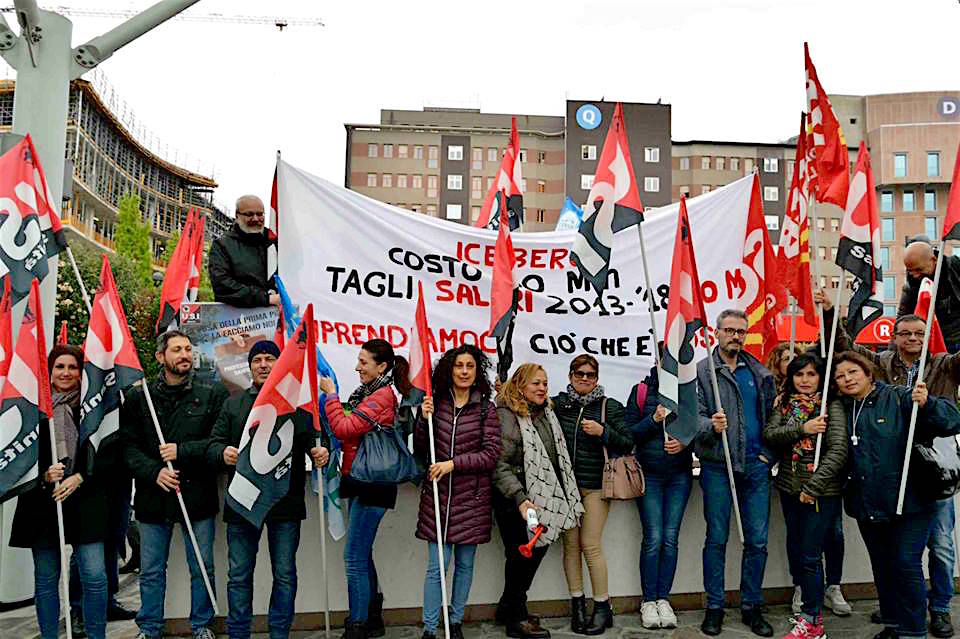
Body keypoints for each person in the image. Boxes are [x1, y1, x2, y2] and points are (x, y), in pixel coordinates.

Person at [821, 290, 960, 634]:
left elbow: (949, 419)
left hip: (917, 492)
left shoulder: (904, 391)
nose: (848, 378)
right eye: (841, 377)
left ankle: (920, 624)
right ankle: (894, 621)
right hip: (872, 501)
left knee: (911, 561)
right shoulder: (849, 403)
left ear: (869, 375)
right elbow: (844, 349)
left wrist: (928, 404)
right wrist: (828, 313)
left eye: (853, 372)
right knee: (883, 566)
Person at [205, 340, 331, 639]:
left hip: (284, 503)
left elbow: (319, 440)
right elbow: (213, 444)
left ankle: (279, 633)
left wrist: (322, 451)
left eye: (270, 359)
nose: (263, 364)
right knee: (239, 576)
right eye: (257, 359)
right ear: (249, 366)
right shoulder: (233, 404)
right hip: (242, 503)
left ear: (280, 364)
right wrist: (222, 453)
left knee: (285, 575)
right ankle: (238, 634)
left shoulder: (299, 407)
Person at [120, 330, 228, 639]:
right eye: (177, 349)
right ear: (160, 357)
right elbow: (128, 448)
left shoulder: (212, 394)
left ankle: (202, 626)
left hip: (197, 496)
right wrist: (154, 471)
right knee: (152, 571)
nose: (184, 355)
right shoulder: (140, 397)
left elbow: (217, 444)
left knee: (202, 567)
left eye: (187, 349)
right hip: (153, 498)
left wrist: (182, 450)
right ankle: (150, 628)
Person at [11, 345, 108, 639]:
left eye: (73, 367)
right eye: (59, 367)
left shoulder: (95, 407)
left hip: (86, 500)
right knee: (46, 579)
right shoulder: (33, 408)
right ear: (49, 371)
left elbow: (110, 453)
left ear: (82, 372)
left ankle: (96, 635)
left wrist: (79, 476)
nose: (66, 373)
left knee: (95, 577)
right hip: (43, 503)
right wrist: (43, 475)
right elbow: (17, 455)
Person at [321, 339, 413, 639]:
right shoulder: (369, 393)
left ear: (381, 367)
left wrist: (331, 396)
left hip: (373, 484)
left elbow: (345, 428)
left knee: (354, 558)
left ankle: (358, 625)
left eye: (363, 362)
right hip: (361, 480)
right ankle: (372, 616)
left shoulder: (383, 395)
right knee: (363, 553)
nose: (357, 367)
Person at [695, 309, 775, 637]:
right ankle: (714, 607)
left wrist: (768, 455)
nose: (735, 336)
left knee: (757, 540)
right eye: (729, 330)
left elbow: (773, 416)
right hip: (717, 465)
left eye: (741, 331)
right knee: (717, 538)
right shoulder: (702, 371)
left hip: (755, 467)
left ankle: (751, 605)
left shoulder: (758, 372)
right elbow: (689, 418)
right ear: (716, 332)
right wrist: (709, 426)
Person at [414, 345, 502, 639]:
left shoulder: (486, 408)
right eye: (459, 366)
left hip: (472, 500)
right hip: (437, 499)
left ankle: (456, 621)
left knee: (464, 565)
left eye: (470, 366)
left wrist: (453, 464)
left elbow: (490, 455)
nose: (464, 371)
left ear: (477, 372)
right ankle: (429, 628)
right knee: (436, 568)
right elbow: (421, 449)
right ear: (449, 370)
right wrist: (420, 419)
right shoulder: (435, 403)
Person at [493, 363, 584, 639]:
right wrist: (520, 498)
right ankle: (515, 618)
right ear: (520, 385)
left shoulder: (546, 412)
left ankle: (509, 607)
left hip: (541, 498)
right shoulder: (506, 415)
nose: (542, 388)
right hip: (514, 498)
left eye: (545, 383)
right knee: (521, 554)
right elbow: (499, 464)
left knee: (534, 549)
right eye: (536, 383)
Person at [763, 353, 847, 639]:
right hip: (789, 488)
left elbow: (837, 452)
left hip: (821, 493)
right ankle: (807, 604)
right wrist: (803, 429)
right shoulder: (785, 404)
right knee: (798, 548)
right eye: (800, 375)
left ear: (821, 377)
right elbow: (771, 434)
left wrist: (813, 488)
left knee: (812, 555)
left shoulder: (831, 406)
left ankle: (813, 620)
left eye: (811, 374)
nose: (805, 380)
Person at [552, 354, 632, 635]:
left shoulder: (609, 407)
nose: (584, 378)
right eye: (579, 373)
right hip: (566, 488)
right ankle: (577, 604)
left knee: (590, 544)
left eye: (590, 374)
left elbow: (628, 442)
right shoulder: (559, 405)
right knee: (570, 546)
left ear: (597, 378)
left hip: (597, 486)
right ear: (570, 375)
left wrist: (603, 432)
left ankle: (602, 606)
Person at [626, 359, 693, 630]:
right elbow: (630, 433)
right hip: (650, 475)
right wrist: (653, 420)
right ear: (658, 361)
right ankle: (648, 600)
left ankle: (663, 599)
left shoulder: (688, 391)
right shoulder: (641, 391)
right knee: (653, 538)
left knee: (670, 539)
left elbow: (698, 430)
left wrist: (685, 443)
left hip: (679, 476)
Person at [209, 194, 279, 308]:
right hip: (237, 321)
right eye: (249, 214)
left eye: (260, 214)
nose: (256, 219)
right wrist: (265, 299)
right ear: (237, 215)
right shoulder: (222, 245)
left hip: (276, 317)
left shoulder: (274, 241)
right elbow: (222, 285)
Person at [899, 240, 960, 351]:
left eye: (919, 269)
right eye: (910, 271)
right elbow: (902, 319)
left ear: (934, 260)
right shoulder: (911, 287)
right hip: (937, 344)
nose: (915, 275)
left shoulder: (956, 268)